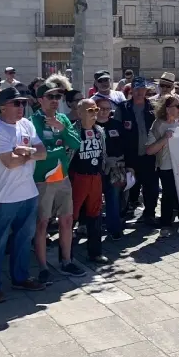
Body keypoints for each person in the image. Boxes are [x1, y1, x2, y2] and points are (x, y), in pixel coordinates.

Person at [0, 86, 46, 303]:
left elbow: (43, 152)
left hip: (28, 192)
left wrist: (24, 152)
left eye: (23, 103)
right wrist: (30, 154)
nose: (21, 108)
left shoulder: (26, 124)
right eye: (16, 103)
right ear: (1, 108)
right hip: (3, 196)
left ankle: (20, 277)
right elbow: (9, 162)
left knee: (24, 238)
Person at [31, 75, 85, 280]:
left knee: (66, 220)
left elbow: (76, 144)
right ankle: (43, 267)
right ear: (40, 100)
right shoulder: (32, 122)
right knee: (42, 224)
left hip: (62, 178)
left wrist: (62, 130)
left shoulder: (62, 119)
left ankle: (66, 261)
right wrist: (58, 149)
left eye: (58, 96)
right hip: (42, 180)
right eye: (50, 96)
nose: (55, 100)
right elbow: (40, 152)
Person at [146, 94, 179, 236]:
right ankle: (165, 226)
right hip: (166, 165)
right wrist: (164, 138)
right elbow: (149, 150)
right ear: (168, 109)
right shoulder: (159, 124)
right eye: (178, 106)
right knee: (169, 194)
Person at [70, 99, 110, 262]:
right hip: (78, 178)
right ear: (79, 113)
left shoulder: (99, 131)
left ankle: (95, 252)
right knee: (71, 216)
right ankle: (67, 255)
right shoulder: (72, 131)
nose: (95, 114)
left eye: (96, 110)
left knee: (95, 215)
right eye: (90, 111)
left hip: (95, 178)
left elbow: (103, 154)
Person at [118, 77, 158, 226]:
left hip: (150, 155)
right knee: (129, 187)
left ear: (146, 91)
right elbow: (118, 131)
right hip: (131, 155)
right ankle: (126, 213)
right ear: (131, 90)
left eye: (142, 89)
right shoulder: (123, 108)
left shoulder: (153, 107)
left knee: (151, 187)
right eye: (136, 89)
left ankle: (150, 214)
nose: (140, 92)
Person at [95, 95, 127, 240]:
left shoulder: (117, 125)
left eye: (107, 109)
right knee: (94, 200)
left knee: (113, 198)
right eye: (101, 109)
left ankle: (114, 229)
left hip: (115, 167)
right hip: (95, 169)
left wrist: (128, 166)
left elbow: (127, 146)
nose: (104, 112)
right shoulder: (90, 125)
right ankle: (91, 229)